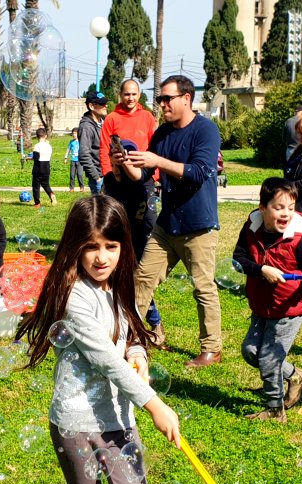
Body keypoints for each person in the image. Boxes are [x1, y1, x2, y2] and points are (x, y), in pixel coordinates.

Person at [16, 195, 180, 484]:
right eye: (91, 246)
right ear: (75, 247)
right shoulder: (74, 298)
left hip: (119, 421)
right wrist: (154, 403)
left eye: (111, 246)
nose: (102, 257)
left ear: (124, 245)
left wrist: (138, 353)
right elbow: (106, 359)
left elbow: (128, 336)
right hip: (76, 421)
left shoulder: (117, 288)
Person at [125, 75, 223, 368]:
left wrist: (158, 162)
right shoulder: (163, 133)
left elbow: (199, 172)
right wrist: (129, 163)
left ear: (187, 98)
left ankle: (211, 349)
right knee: (141, 279)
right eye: (160, 99)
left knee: (203, 288)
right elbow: (144, 176)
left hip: (199, 226)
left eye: (167, 98)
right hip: (167, 225)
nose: (162, 104)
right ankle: (129, 338)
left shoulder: (205, 131)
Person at [232, 178, 302, 422]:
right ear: (263, 207)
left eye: (291, 208)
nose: (286, 214)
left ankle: (274, 409)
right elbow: (239, 257)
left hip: (289, 306)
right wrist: (262, 269)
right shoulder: (252, 229)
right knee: (251, 352)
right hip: (262, 304)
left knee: (269, 359)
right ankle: (297, 376)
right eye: (279, 207)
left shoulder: (296, 239)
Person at [104, 138, 164, 345]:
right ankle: (118, 323)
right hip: (118, 237)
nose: (118, 164)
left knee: (137, 281)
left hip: (142, 236)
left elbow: (146, 218)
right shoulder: (109, 181)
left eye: (123, 158)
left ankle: (154, 322)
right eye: (115, 158)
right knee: (118, 280)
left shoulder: (141, 181)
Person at [99, 79, 158, 180]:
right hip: (120, 176)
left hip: (144, 175)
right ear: (120, 95)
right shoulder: (111, 118)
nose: (131, 98)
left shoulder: (147, 117)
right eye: (127, 94)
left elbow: (155, 147)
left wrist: (155, 176)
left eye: (134, 94)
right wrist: (108, 175)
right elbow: (104, 149)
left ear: (139, 95)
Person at [78, 91, 109, 193]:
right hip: (99, 177)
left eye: (105, 103)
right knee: (101, 208)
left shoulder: (104, 122)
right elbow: (84, 155)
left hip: (109, 173)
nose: (106, 106)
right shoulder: (86, 126)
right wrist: (97, 177)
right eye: (102, 104)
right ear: (91, 106)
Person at [31, 127, 57, 206]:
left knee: (36, 186)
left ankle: (37, 203)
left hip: (38, 168)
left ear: (37, 136)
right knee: (45, 184)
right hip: (46, 167)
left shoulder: (37, 146)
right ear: (45, 136)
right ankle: (51, 194)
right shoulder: (49, 146)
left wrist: (28, 158)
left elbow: (36, 158)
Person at [64, 127, 85, 192]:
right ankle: (71, 188)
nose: (74, 135)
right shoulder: (71, 142)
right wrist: (66, 158)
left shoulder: (82, 141)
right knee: (72, 175)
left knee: (80, 174)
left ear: (78, 134)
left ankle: (81, 187)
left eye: (75, 133)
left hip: (80, 161)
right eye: (73, 133)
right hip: (73, 160)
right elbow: (68, 150)